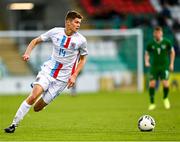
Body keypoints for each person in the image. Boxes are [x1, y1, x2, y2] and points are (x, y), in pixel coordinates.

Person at [4, 11, 88, 133]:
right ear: (68, 22)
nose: (78, 25)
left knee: (37, 108)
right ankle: (14, 124)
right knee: (33, 96)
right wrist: (27, 53)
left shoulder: (81, 40)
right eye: (76, 22)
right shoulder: (55, 32)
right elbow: (35, 41)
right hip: (48, 71)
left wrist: (74, 75)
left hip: (62, 79)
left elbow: (83, 58)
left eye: (79, 23)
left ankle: (43, 96)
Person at [145, 26, 175, 110]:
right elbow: (147, 53)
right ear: (154, 33)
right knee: (152, 84)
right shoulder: (150, 44)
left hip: (164, 66)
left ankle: (165, 98)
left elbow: (172, 52)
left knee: (165, 84)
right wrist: (146, 61)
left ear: (161, 33)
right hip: (154, 67)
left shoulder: (167, 42)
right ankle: (152, 103)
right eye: (156, 33)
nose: (157, 34)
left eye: (159, 33)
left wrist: (171, 64)